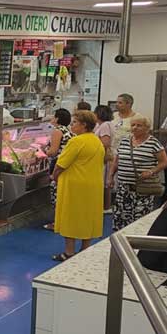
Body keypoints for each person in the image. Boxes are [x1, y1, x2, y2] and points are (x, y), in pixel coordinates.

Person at [51, 110, 104, 261]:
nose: (72, 125)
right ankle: (85, 248)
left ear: (84, 125)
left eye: (75, 123)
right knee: (88, 216)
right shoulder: (96, 140)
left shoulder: (76, 141)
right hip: (92, 184)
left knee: (71, 217)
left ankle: (69, 252)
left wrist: (54, 177)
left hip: (75, 184)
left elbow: (61, 164)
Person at [109, 116, 167, 231]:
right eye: (133, 125)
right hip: (123, 188)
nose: (135, 127)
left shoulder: (153, 143)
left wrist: (151, 171)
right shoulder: (125, 140)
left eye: (139, 125)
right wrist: (110, 176)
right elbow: (117, 160)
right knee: (120, 218)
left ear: (147, 128)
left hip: (143, 189)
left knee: (139, 219)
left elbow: (165, 162)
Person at [43, 108, 73, 231]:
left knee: (57, 195)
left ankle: (57, 223)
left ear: (57, 118)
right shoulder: (67, 130)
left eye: (53, 116)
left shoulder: (57, 131)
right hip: (67, 166)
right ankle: (65, 221)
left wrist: (43, 150)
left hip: (58, 165)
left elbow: (53, 152)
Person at [94, 105, 115, 214]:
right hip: (105, 156)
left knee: (104, 182)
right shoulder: (107, 124)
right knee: (106, 182)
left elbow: (105, 142)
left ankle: (105, 207)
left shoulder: (105, 125)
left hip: (103, 157)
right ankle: (106, 206)